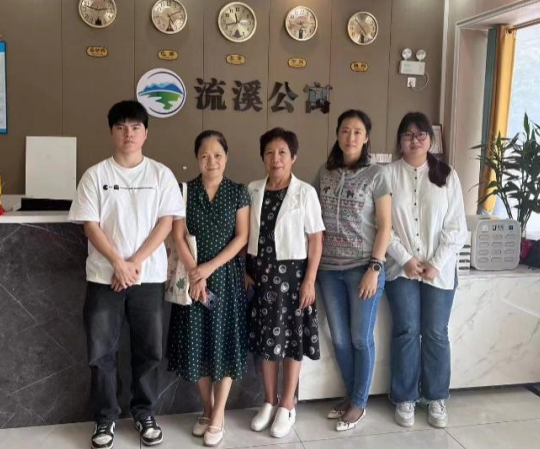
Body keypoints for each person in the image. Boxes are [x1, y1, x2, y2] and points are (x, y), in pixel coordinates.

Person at [68, 100, 184, 449]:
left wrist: (133, 263)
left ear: (146, 133)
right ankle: (105, 417)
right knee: (101, 352)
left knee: (149, 351)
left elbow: (166, 223)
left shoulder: (161, 175)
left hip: (148, 278)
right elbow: (90, 225)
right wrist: (118, 263)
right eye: (121, 127)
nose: (128, 134)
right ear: (111, 133)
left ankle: (144, 413)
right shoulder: (96, 175)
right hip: (104, 278)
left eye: (135, 127)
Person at [166, 130, 250, 447]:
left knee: (224, 342)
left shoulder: (238, 192)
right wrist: (194, 273)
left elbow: (242, 237)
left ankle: (219, 415)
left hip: (225, 278)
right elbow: (177, 235)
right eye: (204, 155)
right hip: (192, 279)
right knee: (196, 342)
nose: (211, 161)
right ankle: (207, 408)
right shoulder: (183, 191)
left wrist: (208, 269)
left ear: (226, 158)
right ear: (196, 158)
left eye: (217, 155)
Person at [385, 112, 467, 428]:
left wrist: (436, 263)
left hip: (439, 270)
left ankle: (435, 397)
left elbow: (457, 227)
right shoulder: (387, 175)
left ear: (430, 140)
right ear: (400, 141)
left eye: (421, 134)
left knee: (435, 332)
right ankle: (405, 397)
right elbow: (382, 225)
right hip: (400, 268)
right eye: (408, 134)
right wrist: (406, 258)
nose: (415, 140)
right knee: (406, 331)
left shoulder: (447, 175)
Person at [314, 109, 392, 432]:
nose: (351, 137)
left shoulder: (376, 174)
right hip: (329, 270)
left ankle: (359, 403)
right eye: (345, 130)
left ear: (366, 137)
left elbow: (385, 226)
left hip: (363, 268)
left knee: (360, 337)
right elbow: (312, 218)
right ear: (338, 134)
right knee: (341, 339)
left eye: (357, 131)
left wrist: (375, 267)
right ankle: (351, 396)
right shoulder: (325, 172)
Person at [246, 128, 324, 438]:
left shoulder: (305, 193)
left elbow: (316, 239)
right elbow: (243, 234)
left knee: (292, 340)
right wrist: (245, 270)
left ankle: (287, 404)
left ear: (293, 157)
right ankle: (269, 400)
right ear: (262, 157)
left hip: (294, 277)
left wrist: (310, 280)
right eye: (269, 152)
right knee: (266, 342)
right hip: (261, 275)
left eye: (282, 153)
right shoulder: (252, 189)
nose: (275, 158)